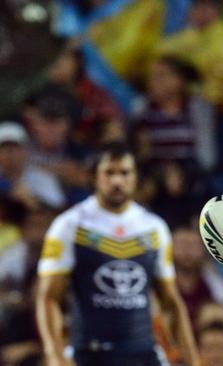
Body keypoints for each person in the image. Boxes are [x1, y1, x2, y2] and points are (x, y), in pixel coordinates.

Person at [35, 143, 200, 366]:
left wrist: (192, 360)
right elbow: (49, 297)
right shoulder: (69, 226)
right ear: (95, 177)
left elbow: (170, 303)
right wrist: (55, 356)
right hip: (90, 354)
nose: (117, 181)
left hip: (143, 352)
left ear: (135, 178)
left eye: (124, 173)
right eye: (109, 173)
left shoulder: (153, 228)